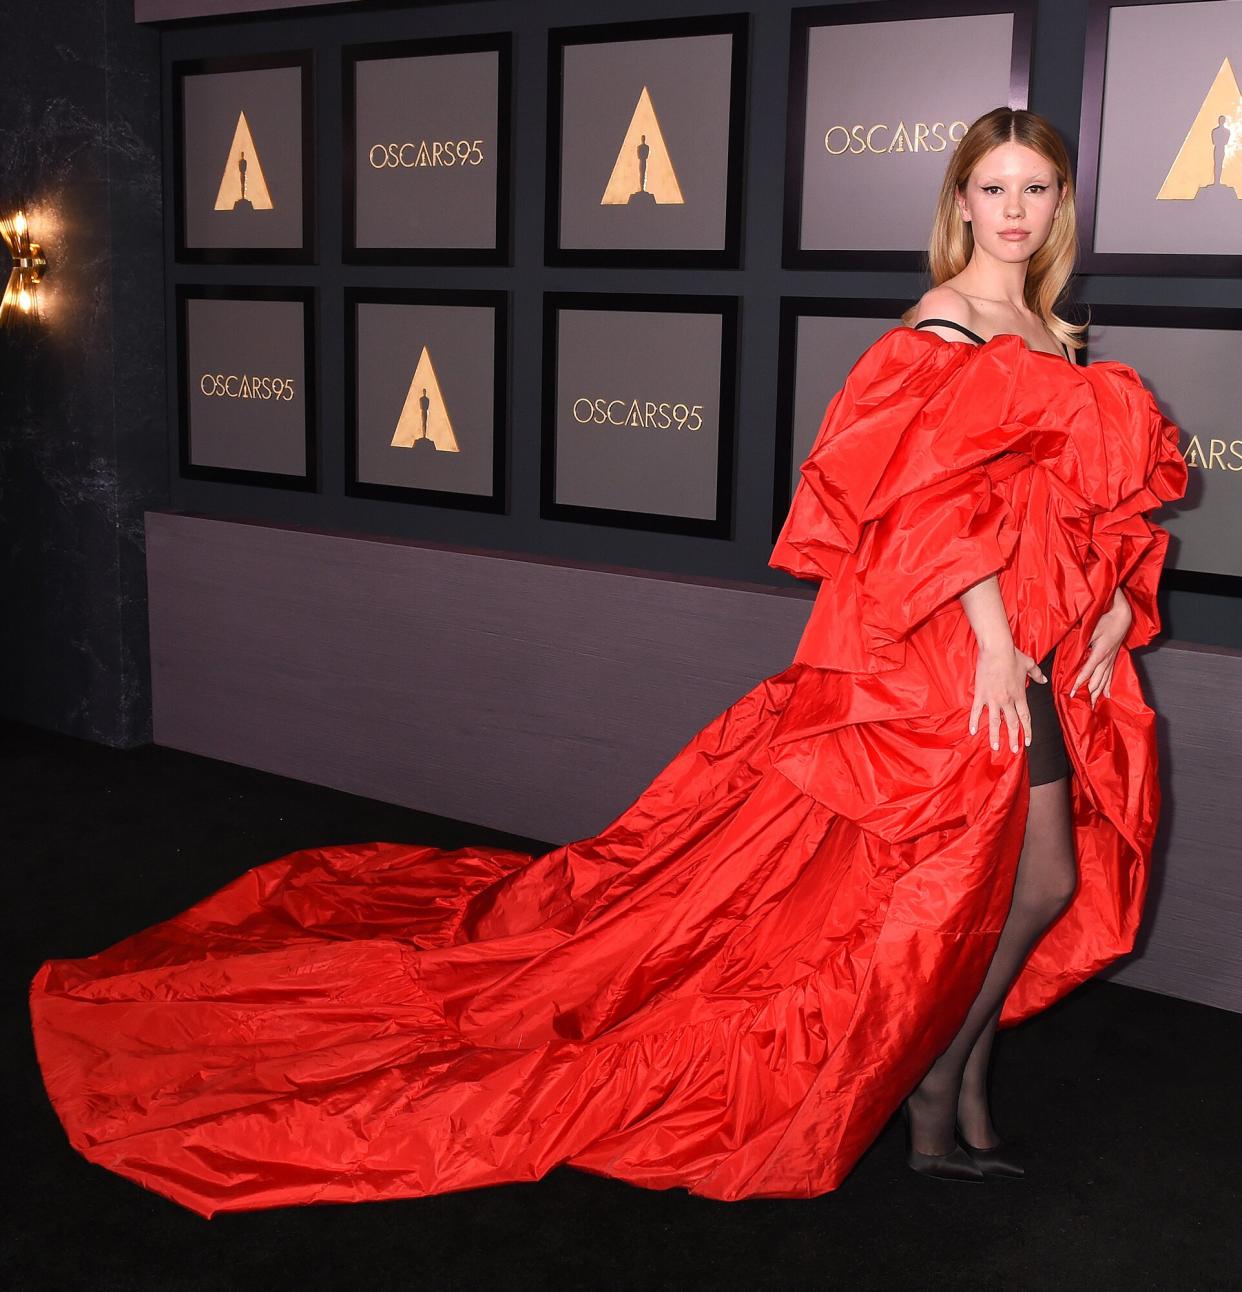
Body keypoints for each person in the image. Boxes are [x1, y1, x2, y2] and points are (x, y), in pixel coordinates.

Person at [29, 108, 1186, 1217]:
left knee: (1026, 883)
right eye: (995, 189)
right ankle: (941, 1084)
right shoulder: (943, 323)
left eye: (1036, 189)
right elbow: (928, 498)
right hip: (960, 651)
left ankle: (956, 1076)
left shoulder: (1050, 330)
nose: (1016, 210)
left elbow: (1091, 505)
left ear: (1062, 202)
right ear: (961, 201)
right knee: (1003, 883)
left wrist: (1103, 621)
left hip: (1046, 647)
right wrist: (991, 642)